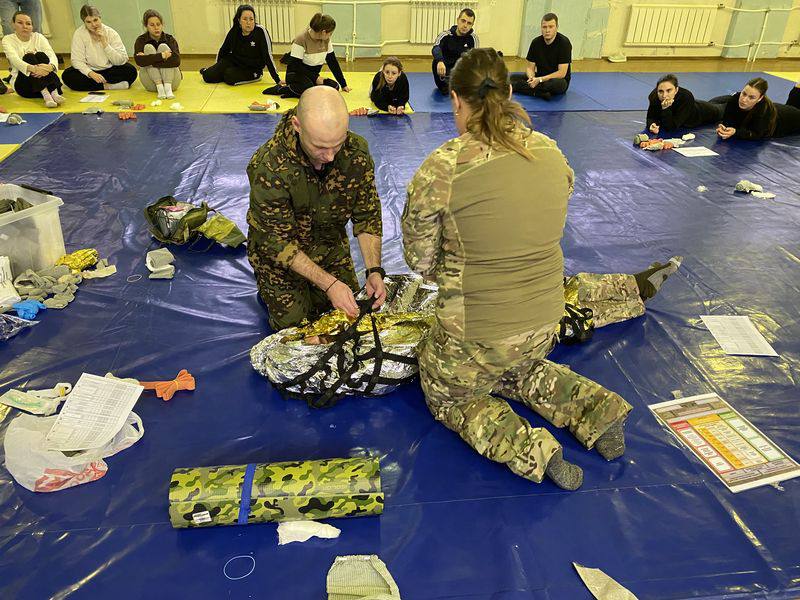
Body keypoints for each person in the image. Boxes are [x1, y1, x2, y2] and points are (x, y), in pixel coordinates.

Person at [402, 48, 633, 491]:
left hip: (478, 333)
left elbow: (419, 260)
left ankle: (535, 453)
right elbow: (557, 206)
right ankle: (598, 412)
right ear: (509, 93)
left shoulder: (443, 168)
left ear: (456, 100)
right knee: (520, 370)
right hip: (544, 321)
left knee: (449, 391)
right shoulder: (550, 151)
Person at [246, 86, 385, 331]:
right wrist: (330, 285)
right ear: (297, 126)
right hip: (280, 258)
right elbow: (276, 242)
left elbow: (367, 215)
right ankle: (268, 284)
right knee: (297, 329)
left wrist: (374, 270)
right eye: (320, 147)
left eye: (338, 144)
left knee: (351, 318)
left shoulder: (356, 153)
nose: (330, 157)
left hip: (329, 246)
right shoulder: (269, 167)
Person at [264, 13, 349, 98]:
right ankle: (281, 89)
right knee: (308, 88)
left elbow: (332, 62)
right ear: (323, 32)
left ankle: (298, 91)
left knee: (334, 87)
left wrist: (343, 84)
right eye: (330, 33)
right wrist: (316, 78)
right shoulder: (301, 39)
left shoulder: (326, 40)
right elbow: (295, 66)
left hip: (311, 76)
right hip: (296, 74)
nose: (330, 36)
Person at [201, 4, 281, 87]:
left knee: (229, 76)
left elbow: (268, 56)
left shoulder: (261, 31)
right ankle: (210, 72)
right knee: (207, 76)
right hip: (235, 62)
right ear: (239, 20)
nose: (248, 22)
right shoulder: (234, 31)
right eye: (245, 19)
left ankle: (253, 76)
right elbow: (223, 50)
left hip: (252, 68)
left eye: (251, 19)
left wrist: (277, 79)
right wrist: (217, 68)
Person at [62, 4, 137, 92]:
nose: (93, 24)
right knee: (67, 75)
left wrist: (104, 42)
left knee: (131, 71)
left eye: (95, 20)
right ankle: (108, 86)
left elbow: (121, 60)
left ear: (100, 18)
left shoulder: (111, 33)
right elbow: (76, 60)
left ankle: (96, 85)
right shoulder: (79, 34)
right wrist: (90, 73)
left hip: (110, 70)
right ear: (84, 22)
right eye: (88, 22)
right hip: (90, 71)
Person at [1, 10, 63, 107]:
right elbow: (14, 60)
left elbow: (51, 55)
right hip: (25, 87)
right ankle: (46, 95)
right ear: (13, 25)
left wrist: (50, 67)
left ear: (32, 26)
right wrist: (36, 69)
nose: (24, 26)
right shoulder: (8, 39)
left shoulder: (39, 37)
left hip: (49, 84)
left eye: (28, 23)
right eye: (20, 23)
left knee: (41, 55)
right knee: (28, 57)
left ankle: (54, 93)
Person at [710, 77, 800, 140]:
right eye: (744, 93)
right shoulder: (735, 99)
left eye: (751, 97)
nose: (744, 100)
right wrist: (723, 128)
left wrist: (735, 132)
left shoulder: (763, 111)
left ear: (760, 98)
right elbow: (728, 121)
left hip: (788, 119)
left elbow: (756, 134)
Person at [511, 13, 570, 100]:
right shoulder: (536, 42)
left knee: (555, 84)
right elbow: (530, 68)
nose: (547, 30)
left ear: (557, 27)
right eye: (544, 27)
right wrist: (532, 77)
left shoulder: (564, 43)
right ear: (541, 28)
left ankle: (521, 88)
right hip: (539, 77)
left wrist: (540, 80)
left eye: (551, 27)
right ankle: (539, 93)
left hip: (556, 80)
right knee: (512, 77)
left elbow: (562, 73)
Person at [645, 74, 722, 135]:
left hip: (702, 113)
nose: (664, 95)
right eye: (660, 91)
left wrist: (666, 108)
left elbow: (671, 127)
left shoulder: (686, 96)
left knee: (720, 109)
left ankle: (732, 97)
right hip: (696, 105)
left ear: (676, 90)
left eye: (669, 90)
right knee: (714, 103)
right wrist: (651, 124)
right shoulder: (654, 96)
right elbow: (651, 116)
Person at [133, 9, 181, 99]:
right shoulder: (141, 40)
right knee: (148, 47)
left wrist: (148, 59)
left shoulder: (169, 39)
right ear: (146, 26)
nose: (156, 28)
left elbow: (176, 61)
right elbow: (139, 62)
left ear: (162, 24)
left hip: (172, 83)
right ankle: (160, 88)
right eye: (152, 25)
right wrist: (162, 56)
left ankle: (167, 88)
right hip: (151, 83)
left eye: (158, 24)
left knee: (163, 46)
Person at [431, 8, 478, 95]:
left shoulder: (473, 38)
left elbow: (475, 58)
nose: (465, 25)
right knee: (447, 90)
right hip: (445, 71)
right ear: (458, 20)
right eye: (463, 21)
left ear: (472, 25)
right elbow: (435, 48)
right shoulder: (446, 35)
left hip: (460, 72)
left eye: (469, 23)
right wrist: (440, 61)